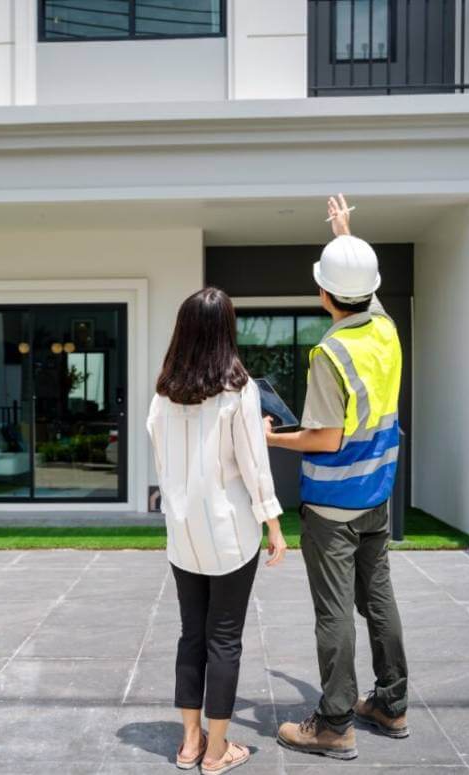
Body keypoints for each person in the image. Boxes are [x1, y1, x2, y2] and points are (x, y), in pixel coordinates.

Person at [264, 195, 409, 760]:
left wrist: (271, 436)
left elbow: (324, 438)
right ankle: (392, 705)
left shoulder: (331, 352)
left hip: (333, 503)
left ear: (323, 295)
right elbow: (364, 291)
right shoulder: (387, 330)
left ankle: (334, 723)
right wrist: (346, 237)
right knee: (379, 600)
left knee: (333, 613)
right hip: (377, 495)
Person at [146, 287, 287, 774]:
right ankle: (216, 750)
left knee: (191, 636)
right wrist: (274, 524)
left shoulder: (163, 393)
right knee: (224, 639)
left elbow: (162, 461)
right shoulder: (239, 391)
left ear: (183, 331)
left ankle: (189, 743)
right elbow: (254, 465)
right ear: (226, 331)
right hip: (230, 534)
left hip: (183, 534)